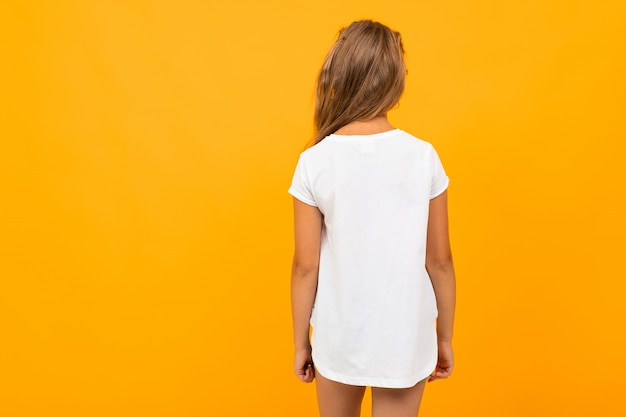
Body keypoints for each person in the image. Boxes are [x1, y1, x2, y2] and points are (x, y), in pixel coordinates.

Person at [288, 20, 456, 417]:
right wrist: (444, 337)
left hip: (338, 334)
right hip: (405, 335)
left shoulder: (314, 162)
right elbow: (441, 261)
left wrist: (300, 343)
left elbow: (304, 267)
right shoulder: (423, 157)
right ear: (396, 81)